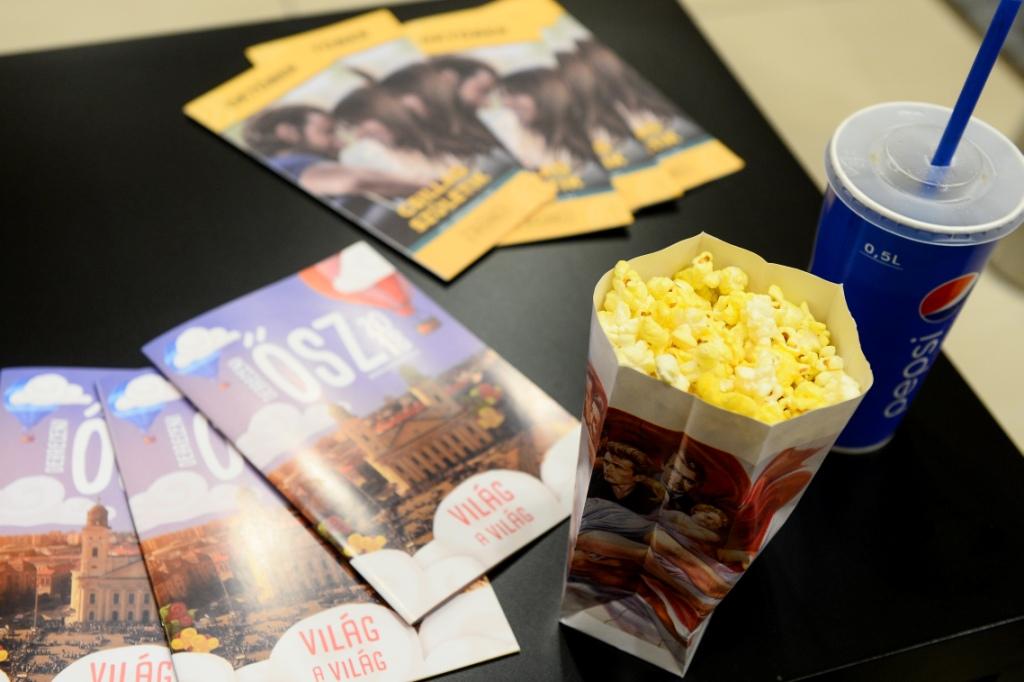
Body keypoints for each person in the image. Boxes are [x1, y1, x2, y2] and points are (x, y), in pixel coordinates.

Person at [242, 105, 420, 198]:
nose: (341, 143)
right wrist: (427, 187)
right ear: (288, 132)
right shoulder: (286, 165)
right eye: (328, 132)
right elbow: (353, 181)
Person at [588, 441, 665, 515]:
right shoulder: (593, 482)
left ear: (638, 477)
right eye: (606, 462)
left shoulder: (648, 500)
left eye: (617, 467)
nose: (607, 469)